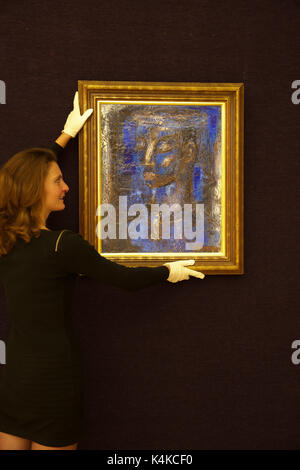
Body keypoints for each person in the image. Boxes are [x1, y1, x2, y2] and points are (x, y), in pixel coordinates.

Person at [0, 92, 205, 451]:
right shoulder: (63, 246)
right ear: (35, 189)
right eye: (57, 181)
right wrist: (167, 271)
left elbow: (25, 173)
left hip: (14, 379)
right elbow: (125, 279)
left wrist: (64, 137)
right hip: (54, 380)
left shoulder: (5, 240)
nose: (66, 187)